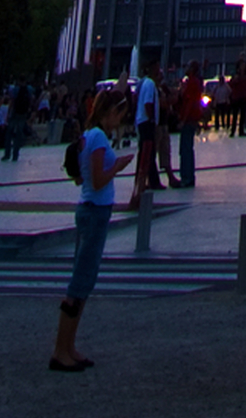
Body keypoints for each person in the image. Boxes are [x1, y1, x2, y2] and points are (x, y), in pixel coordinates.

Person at [52, 86, 124, 372]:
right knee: (80, 281)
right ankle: (61, 349)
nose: (120, 121)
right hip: (94, 211)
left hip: (93, 210)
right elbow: (96, 180)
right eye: (120, 115)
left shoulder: (91, 135)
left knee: (84, 280)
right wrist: (118, 167)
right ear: (111, 112)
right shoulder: (97, 137)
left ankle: (69, 347)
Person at [130, 65, 164, 204]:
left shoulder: (144, 83)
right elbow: (148, 103)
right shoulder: (150, 84)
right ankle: (148, 180)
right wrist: (151, 119)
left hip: (142, 121)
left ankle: (148, 179)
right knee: (148, 151)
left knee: (147, 152)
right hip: (146, 122)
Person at [175, 64, 202, 188]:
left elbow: (189, 103)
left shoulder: (192, 83)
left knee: (185, 148)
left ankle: (186, 177)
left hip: (189, 119)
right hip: (192, 118)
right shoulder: (193, 83)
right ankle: (188, 176)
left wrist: (183, 119)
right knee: (188, 148)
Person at [6, 77, 34, 163]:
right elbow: (31, 100)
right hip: (23, 113)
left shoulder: (15, 89)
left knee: (9, 133)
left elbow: (12, 101)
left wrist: (8, 113)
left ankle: (7, 154)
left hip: (15, 113)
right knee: (19, 133)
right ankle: (15, 154)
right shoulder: (29, 89)